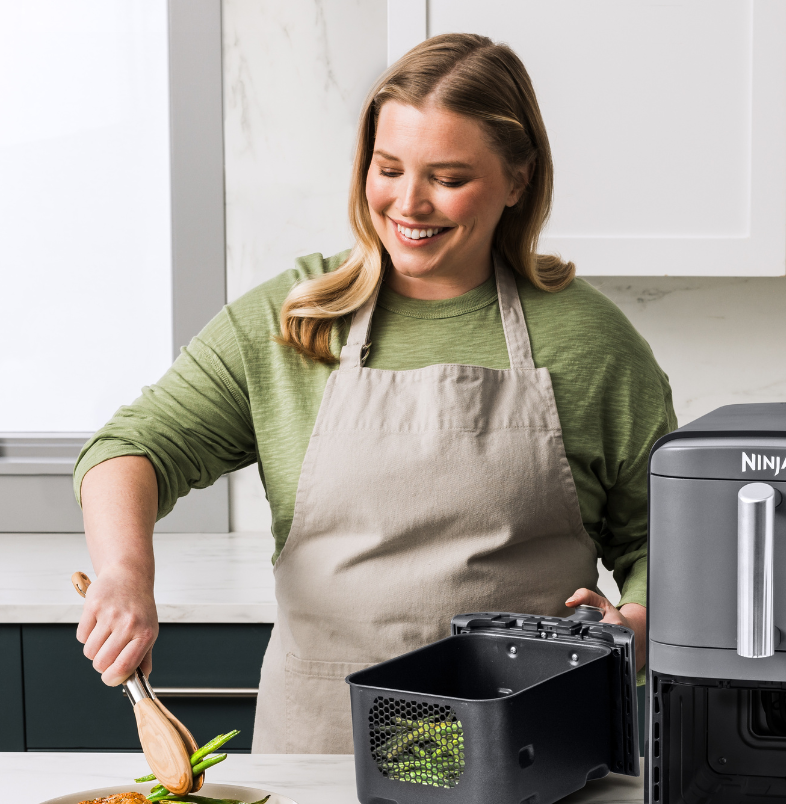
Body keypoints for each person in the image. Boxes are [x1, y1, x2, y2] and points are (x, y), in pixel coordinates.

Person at [73, 33, 676, 753]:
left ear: (518, 180)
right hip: (323, 755)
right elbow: (132, 447)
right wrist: (124, 573)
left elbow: (672, 543)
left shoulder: (589, 341)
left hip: (532, 754)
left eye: (448, 177)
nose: (409, 203)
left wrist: (634, 626)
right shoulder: (295, 323)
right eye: (388, 169)